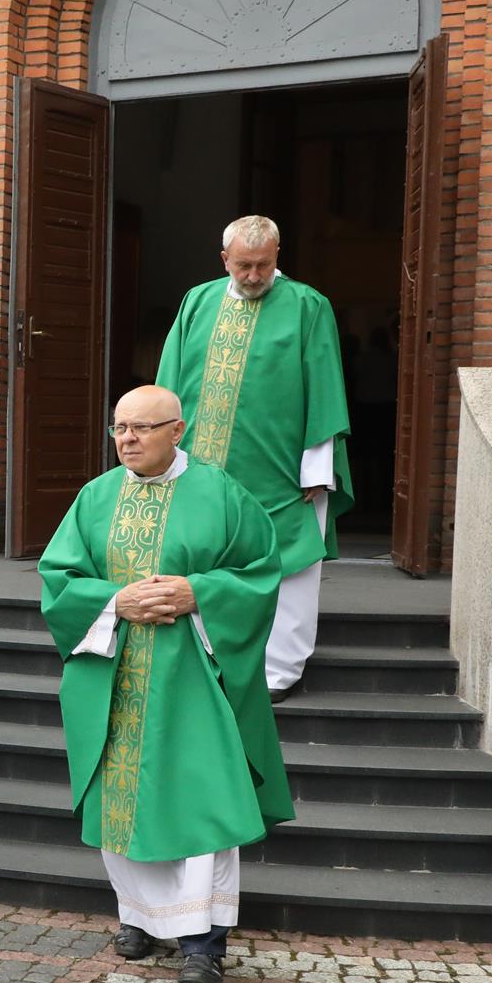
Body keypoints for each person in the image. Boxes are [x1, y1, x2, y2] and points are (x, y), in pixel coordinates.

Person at [37, 385, 292, 983]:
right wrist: (114, 602)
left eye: (141, 428)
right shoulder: (95, 497)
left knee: (201, 800)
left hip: (192, 675)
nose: (127, 439)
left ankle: (204, 944)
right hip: (115, 674)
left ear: (177, 431)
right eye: (119, 428)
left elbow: (260, 572)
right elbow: (59, 578)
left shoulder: (221, 493)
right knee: (121, 800)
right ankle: (140, 917)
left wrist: (198, 593)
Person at [155, 215, 353, 700]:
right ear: (225, 259)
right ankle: (208, 659)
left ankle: (278, 672)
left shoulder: (307, 305)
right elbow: (169, 379)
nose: (253, 275)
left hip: (279, 468)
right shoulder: (198, 301)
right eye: (243, 265)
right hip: (202, 468)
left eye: (263, 265)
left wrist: (317, 466)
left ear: (277, 256)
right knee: (204, 558)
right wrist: (162, 450)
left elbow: (324, 384)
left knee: (289, 562)